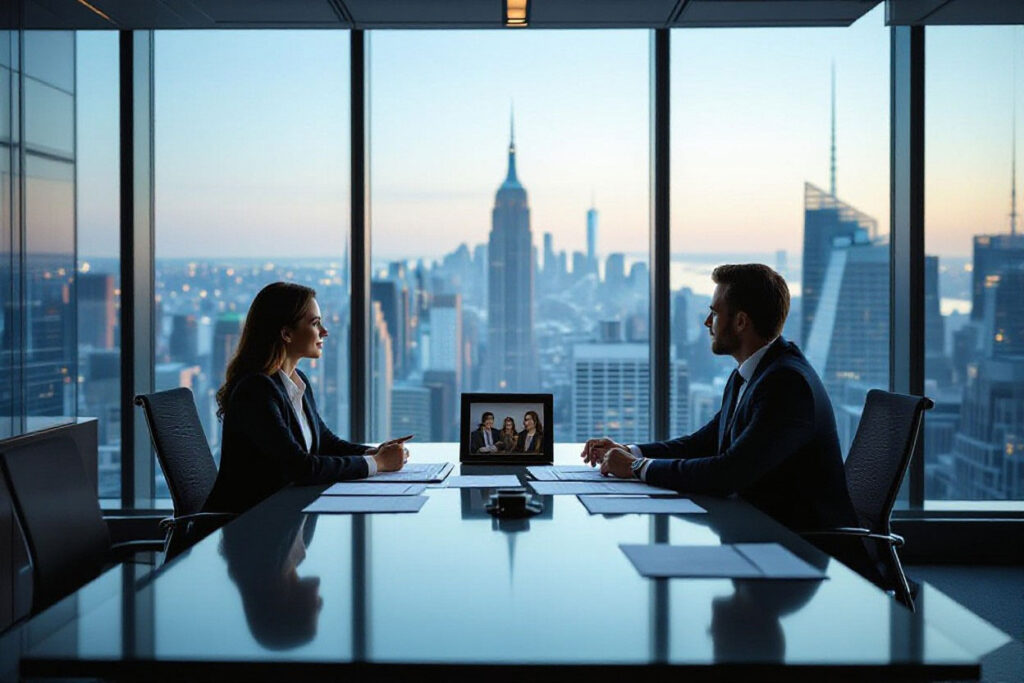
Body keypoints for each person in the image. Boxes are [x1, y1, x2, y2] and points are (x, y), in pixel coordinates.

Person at [581, 264, 858, 532]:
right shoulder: (753, 373)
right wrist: (634, 452)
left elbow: (728, 474)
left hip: (805, 549)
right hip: (759, 531)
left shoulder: (787, 383)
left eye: (714, 313)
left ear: (740, 322)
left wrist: (637, 467)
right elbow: (706, 443)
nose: (707, 322)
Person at [203, 282, 411, 514]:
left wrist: (372, 452)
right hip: (246, 526)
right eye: (315, 323)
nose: (324, 331)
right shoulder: (256, 390)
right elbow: (301, 467)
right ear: (286, 333)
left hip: (282, 517)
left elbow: (325, 443)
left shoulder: (295, 381)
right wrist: (378, 464)